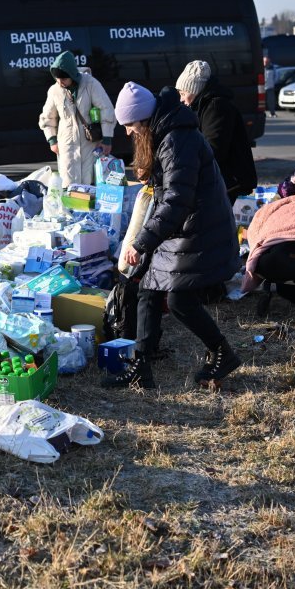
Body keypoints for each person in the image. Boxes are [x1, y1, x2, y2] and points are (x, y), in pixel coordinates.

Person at [107, 82, 241, 389]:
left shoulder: (176, 140)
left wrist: (142, 243)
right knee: (148, 289)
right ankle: (142, 365)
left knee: (178, 299)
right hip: (188, 224)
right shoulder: (168, 132)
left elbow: (177, 201)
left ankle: (223, 353)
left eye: (129, 125)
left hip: (200, 227)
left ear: (142, 118)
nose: (128, 132)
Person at [175, 60, 257, 203]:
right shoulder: (202, 105)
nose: (181, 99)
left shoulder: (216, 106)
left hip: (230, 183)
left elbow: (213, 148)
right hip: (222, 180)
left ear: (195, 90)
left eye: (183, 93)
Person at [38, 50, 115, 187]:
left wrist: (107, 139)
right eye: (57, 79)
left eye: (63, 78)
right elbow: (47, 118)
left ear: (72, 75)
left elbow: (106, 109)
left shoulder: (91, 84)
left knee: (91, 180)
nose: (60, 82)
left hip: (91, 143)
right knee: (69, 184)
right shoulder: (54, 90)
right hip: (66, 144)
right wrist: (52, 140)